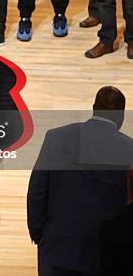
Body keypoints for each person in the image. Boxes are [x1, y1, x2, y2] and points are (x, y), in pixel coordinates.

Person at [27, 86, 133, 275]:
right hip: (104, 256)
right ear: (121, 116)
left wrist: (38, 234)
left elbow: (37, 189)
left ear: (94, 108)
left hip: (57, 248)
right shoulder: (129, 149)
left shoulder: (57, 137)